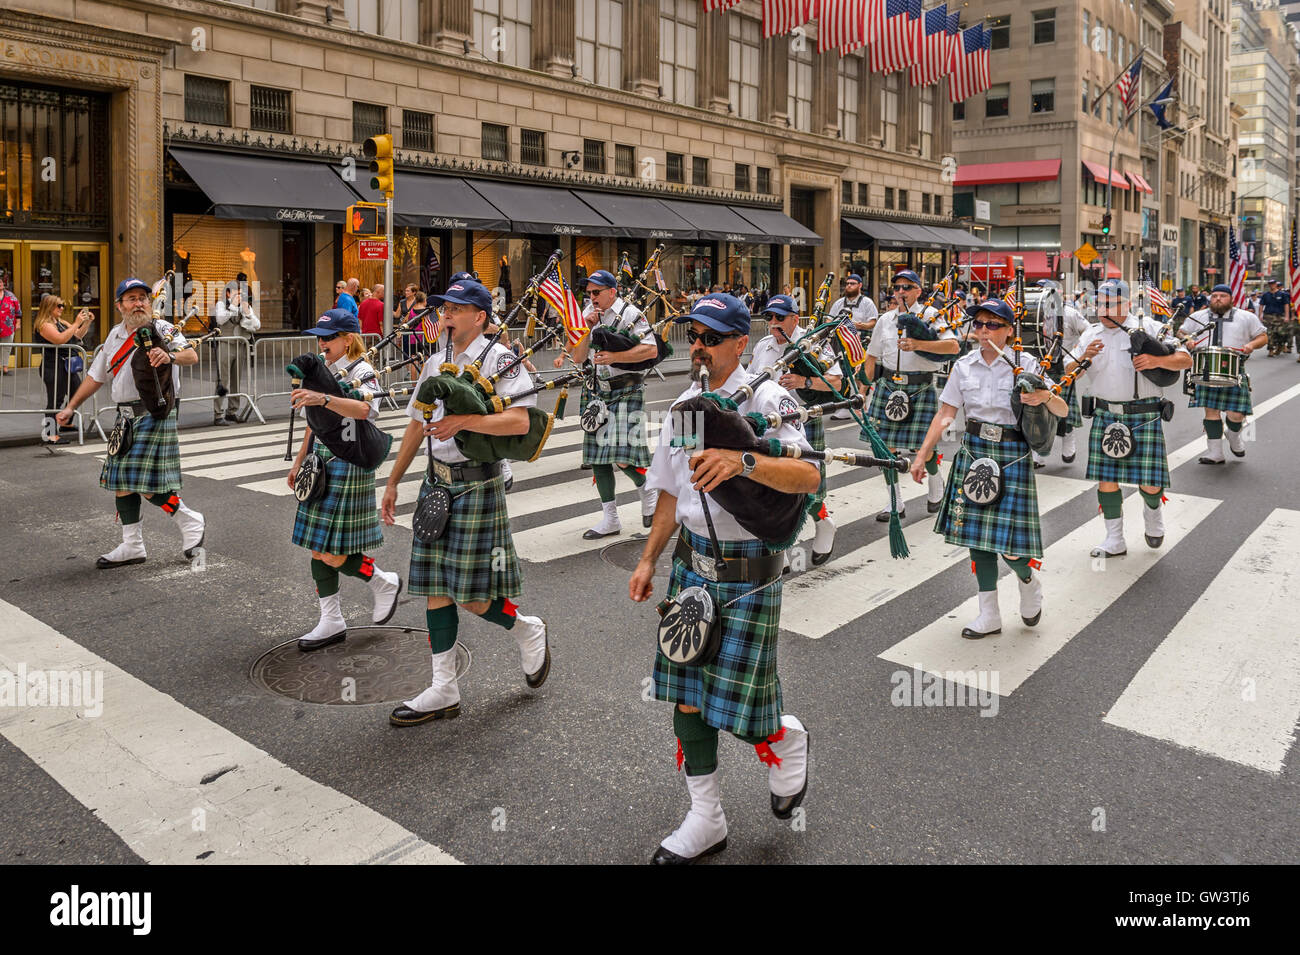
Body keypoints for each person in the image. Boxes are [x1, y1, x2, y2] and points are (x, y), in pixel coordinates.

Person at [629, 292, 817, 864]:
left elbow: (808, 475)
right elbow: (670, 491)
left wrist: (744, 461)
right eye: (695, 336)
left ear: (741, 341)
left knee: (740, 706)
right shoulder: (685, 406)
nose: (701, 347)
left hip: (748, 572)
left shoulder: (770, 398)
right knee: (686, 697)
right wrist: (648, 559)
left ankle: (783, 738)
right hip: (692, 565)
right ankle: (706, 817)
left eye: (713, 337)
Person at [381, 278, 549, 726]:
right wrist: (394, 481)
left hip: (477, 485)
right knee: (435, 588)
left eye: (456, 309)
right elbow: (418, 424)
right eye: (443, 309)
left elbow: (518, 422)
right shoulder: (436, 362)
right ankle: (444, 688)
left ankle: (528, 629)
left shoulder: (502, 359)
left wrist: (466, 420)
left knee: (473, 596)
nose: (446, 316)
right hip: (436, 484)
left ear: (480, 316)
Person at [909, 298, 1067, 638]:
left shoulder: (1026, 363)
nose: (984, 331)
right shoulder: (963, 366)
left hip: (1012, 453)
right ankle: (989, 614)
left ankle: (1028, 582)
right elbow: (946, 413)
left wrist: (1043, 398)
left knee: (1010, 546)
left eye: (992, 325)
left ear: (1010, 331)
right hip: (975, 450)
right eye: (978, 325)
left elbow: (1063, 409)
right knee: (978, 542)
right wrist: (922, 454)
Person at [55, 278, 207, 567]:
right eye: (131, 298)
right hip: (124, 415)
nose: (139, 303)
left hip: (154, 412)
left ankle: (189, 520)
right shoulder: (113, 336)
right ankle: (132, 545)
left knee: (146, 483)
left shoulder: (162, 329)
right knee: (122, 482)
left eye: (143, 298)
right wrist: (71, 406)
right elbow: (95, 377)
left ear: (150, 303)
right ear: (119, 305)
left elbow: (191, 355)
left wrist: (169, 355)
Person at [286, 309, 402, 651]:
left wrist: (322, 397)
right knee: (317, 547)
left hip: (349, 460)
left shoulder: (364, 370)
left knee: (334, 553)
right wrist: (300, 459)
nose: (322, 344)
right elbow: (315, 421)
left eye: (329, 338)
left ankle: (382, 582)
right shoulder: (323, 370)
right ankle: (331, 619)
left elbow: (366, 411)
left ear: (348, 338)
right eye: (319, 338)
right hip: (321, 458)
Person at [1067, 279, 1191, 557]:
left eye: (1110, 304)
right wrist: (1082, 359)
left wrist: (1158, 361)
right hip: (1105, 415)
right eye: (1099, 303)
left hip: (1143, 415)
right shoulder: (1090, 334)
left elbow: (1185, 359)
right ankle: (1114, 539)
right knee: (1106, 480)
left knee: (1149, 480)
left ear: (1127, 304)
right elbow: (1069, 370)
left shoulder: (1149, 328)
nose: (1103, 309)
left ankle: (1153, 514)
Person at [552, 269, 658, 539]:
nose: (592, 297)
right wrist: (584, 328)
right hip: (596, 391)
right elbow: (577, 357)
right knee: (598, 459)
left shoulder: (632, 314)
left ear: (612, 291)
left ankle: (648, 490)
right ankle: (610, 519)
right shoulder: (587, 315)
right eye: (588, 293)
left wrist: (616, 356)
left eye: (596, 292)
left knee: (622, 457)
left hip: (626, 389)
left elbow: (651, 349)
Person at [750, 293, 841, 567]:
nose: (773, 324)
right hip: (768, 424)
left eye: (779, 318)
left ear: (794, 319)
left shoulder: (813, 342)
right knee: (773, 486)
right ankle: (783, 546)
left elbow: (836, 381)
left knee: (807, 489)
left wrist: (805, 381)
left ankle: (824, 523)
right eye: (769, 318)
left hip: (803, 420)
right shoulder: (763, 346)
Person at [862, 270, 959, 520]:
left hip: (920, 387)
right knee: (884, 449)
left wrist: (918, 345)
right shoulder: (885, 320)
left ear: (918, 290)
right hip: (888, 388)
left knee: (922, 449)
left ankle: (936, 484)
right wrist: (863, 391)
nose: (901, 291)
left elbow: (953, 346)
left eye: (907, 287)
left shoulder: (932, 315)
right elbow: (871, 356)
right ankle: (895, 502)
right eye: (897, 287)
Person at [1179, 284, 1268, 464]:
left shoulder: (1246, 317)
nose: (1218, 299)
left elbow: (1263, 336)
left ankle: (1233, 436)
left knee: (1236, 414)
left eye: (1222, 296)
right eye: (1214, 296)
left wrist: (1251, 345)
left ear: (1231, 299)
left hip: (1234, 369)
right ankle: (1215, 453)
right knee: (1211, 411)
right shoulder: (1198, 317)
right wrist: (1187, 340)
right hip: (1205, 368)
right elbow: (1182, 331)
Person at [1034, 280, 1090, 467]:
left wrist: (1077, 354)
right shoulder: (1035, 312)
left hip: (1062, 365)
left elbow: (1089, 332)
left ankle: (1068, 438)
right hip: (1038, 364)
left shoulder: (1070, 313)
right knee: (1037, 409)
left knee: (1064, 410)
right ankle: (1039, 453)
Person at [32, 294, 92, 443]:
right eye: (58, 306)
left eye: (62, 305)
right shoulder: (44, 324)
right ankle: (50, 434)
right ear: (49, 307)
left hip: (67, 365)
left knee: (78, 392)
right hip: (53, 366)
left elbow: (77, 335)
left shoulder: (59, 321)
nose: (62, 308)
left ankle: (66, 423)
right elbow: (59, 339)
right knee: (55, 399)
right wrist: (76, 322)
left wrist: (86, 323)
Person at [827, 273, 879, 419]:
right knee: (842, 373)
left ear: (860, 285)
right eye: (847, 283)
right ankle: (845, 405)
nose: (849, 286)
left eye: (852, 283)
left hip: (860, 340)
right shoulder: (838, 303)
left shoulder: (867, 302)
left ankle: (861, 399)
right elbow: (828, 319)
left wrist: (860, 325)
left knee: (859, 373)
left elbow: (873, 322)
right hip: (840, 341)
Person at [212, 276, 260, 424]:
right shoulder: (221, 304)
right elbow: (220, 320)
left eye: (241, 291)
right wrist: (233, 306)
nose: (239, 294)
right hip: (225, 344)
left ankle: (232, 411)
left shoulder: (244, 305)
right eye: (235, 291)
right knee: (223, 380)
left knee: (236, 380)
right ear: (227, 293)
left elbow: (256, 325)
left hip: (240, 345)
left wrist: (247, 312)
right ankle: (218, 414)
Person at [1260, 279, 1292, 356]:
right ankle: (1270, 350)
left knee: (1280, 333)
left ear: (1275, 284)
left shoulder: (1282, 294)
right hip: (1268, 316)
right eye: (1270, 284)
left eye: (1273, 284)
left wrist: (1287, 316)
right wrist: (1260, 315)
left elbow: (1286, 305)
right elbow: (1261, 305)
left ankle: (1280, 346)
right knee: (1269, 334)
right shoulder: (1266, 294)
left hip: (1279, 316)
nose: (1272, 285)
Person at [0, 272, 19, 375]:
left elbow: (18, 310)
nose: (0, 283)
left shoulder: (10, 295)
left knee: (6, 347)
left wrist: (18, 322)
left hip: (7, 326)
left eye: (1, 282)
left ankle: (5, 368)